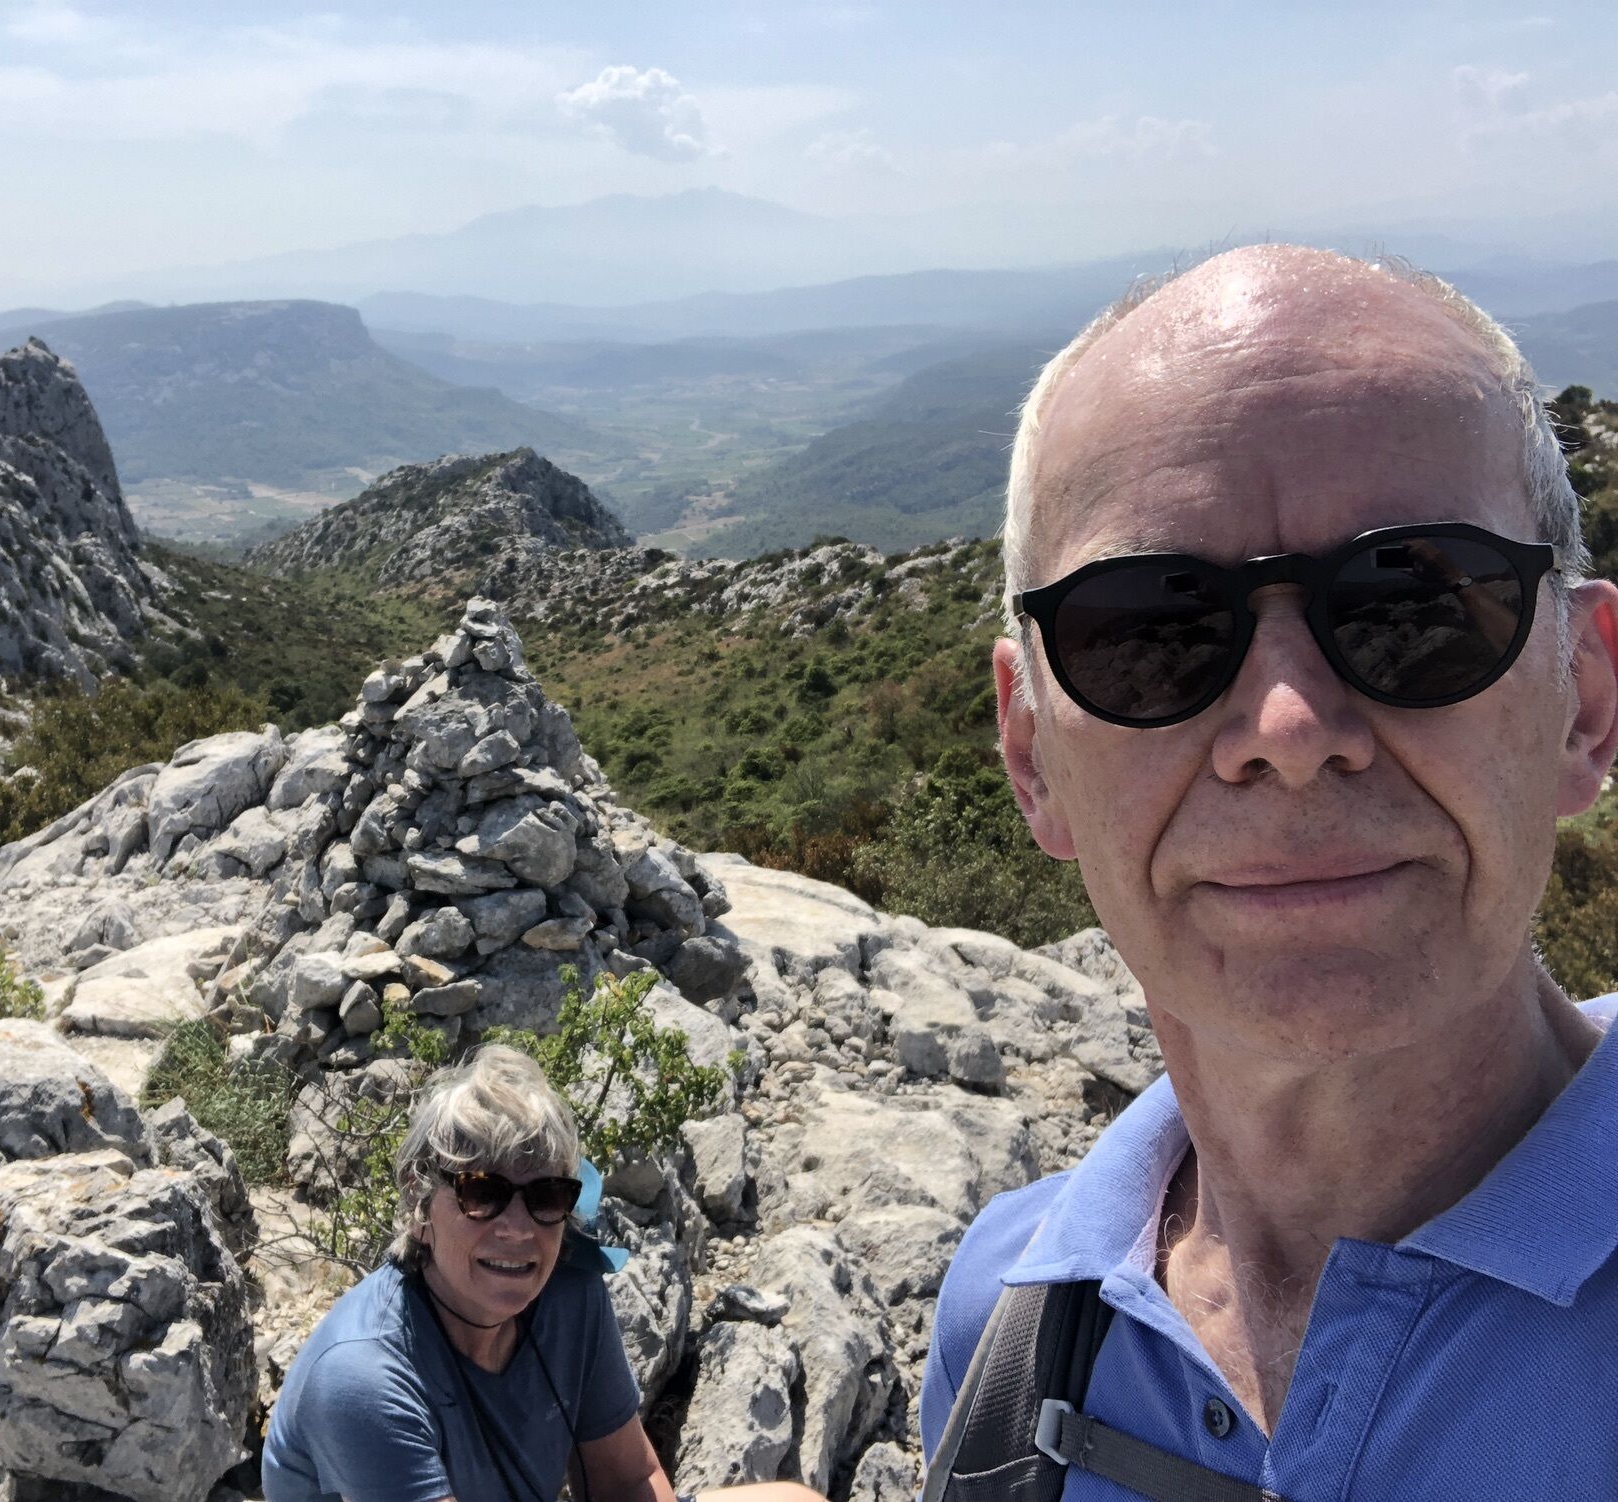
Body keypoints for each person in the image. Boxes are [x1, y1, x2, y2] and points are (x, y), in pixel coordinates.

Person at [919, 246, 1618, 1499]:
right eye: (1150, 630)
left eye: (1410, 607)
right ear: (1029, 754)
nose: (1289, 731)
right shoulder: (1006, 1335)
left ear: (1585, 700)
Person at [262, 1043, 819, 1502]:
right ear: (419, 1197)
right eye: (482, 1193)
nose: (517, 1228)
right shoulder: (364, 1375)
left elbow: (626, 1480)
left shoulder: (568, 1291)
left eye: (546, 1196)